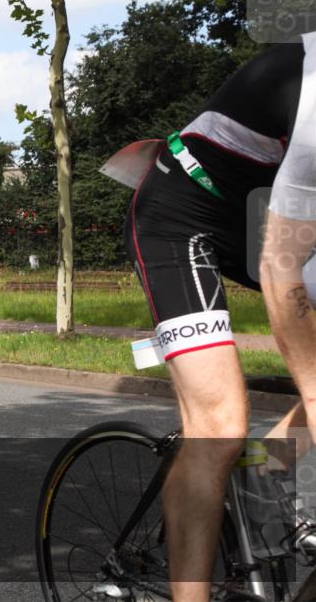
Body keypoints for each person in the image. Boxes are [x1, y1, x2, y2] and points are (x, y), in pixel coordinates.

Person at [122, 32, 315, 602]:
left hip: (266, 220)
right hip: (181, 217)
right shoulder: (308, 86)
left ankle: (266, 475)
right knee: (221, 424)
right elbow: (281, 271)